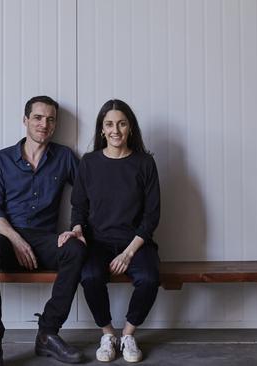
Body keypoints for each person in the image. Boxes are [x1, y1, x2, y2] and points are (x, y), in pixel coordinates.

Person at [0, 96, 86, 366]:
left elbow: (85, 195)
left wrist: (74, 229)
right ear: (25, 120)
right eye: (37, 117)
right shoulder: (1, 160)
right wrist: (15, 240)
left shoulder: (64, 157)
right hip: (8, 238)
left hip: (46, 239)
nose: (44, 124)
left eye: (50, 119)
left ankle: (48, 333)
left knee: (76, 248)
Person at [58, 99, 161, 363]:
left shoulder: (144, 163)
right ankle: (108, 334)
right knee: (90, 275)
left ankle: (128, 335)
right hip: (98, 242)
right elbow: (78, 205)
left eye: (122, 123)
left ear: (130, 128)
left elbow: (152, 216)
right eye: (109, 124)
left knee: (149, 278)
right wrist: (78, 230)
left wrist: (128, 254)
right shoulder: (89, 163)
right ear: (102, 130)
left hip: (136, 243)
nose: (116, 130)